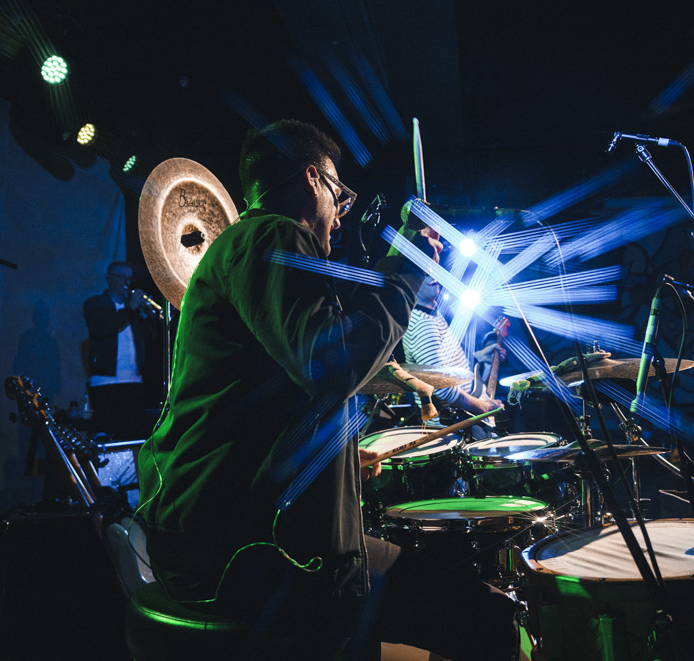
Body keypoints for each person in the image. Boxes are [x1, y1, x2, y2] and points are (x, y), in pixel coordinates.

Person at [135, 120, 520, 660]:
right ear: (313, 179)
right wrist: (405, 269)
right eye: (339, 193)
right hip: (246, 550)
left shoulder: (250, 250)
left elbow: (279, 396)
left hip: (225, 536)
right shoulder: (271, 234)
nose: (340, 212)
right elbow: (334, 366)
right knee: (480, 613)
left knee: (425, 591)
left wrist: (335, 460)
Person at [402, 276, 505, 420]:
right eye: (424, 273)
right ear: (408, 281)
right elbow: (443, 389)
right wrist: (484, 407)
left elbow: (443, 363)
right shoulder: (422, 324)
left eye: (433, 268)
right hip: (454, 424)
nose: (432, 276)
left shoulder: (431, 313)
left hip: (463, 413)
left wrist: (479, 357)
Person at [82, 261, 157, 437]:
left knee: (130, 434)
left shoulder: (134, 309)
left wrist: (148, 316)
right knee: (105, 433)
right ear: (108, 278)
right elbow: (102, 329)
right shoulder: (95, 304)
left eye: (129, 278)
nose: (126, 282)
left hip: (133, 381)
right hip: (105, 382)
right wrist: (130, 309)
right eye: (121, 276)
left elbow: (149, 339)